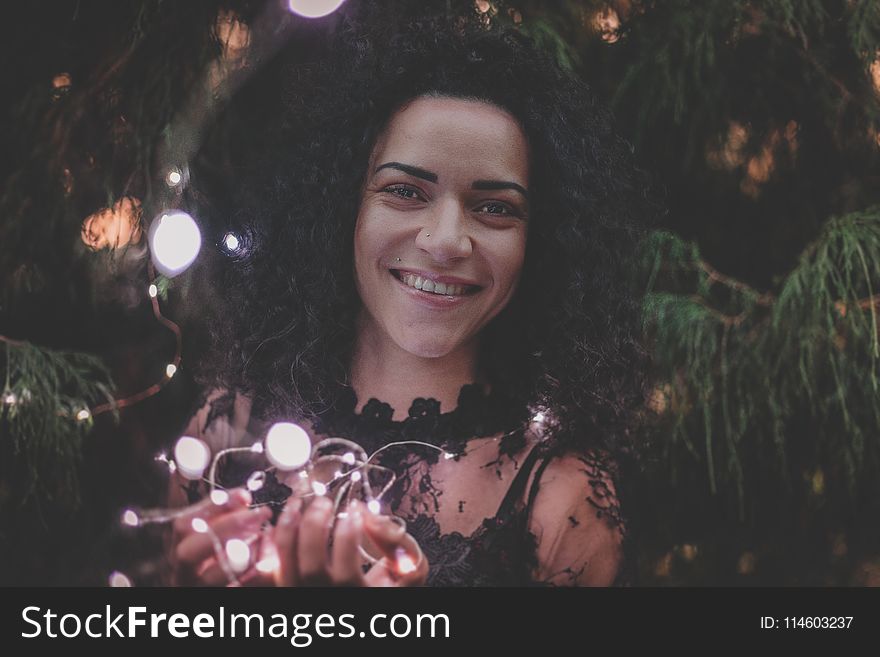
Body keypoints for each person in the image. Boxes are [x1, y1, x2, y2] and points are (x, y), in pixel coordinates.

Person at [168, 3, 649, 587]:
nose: (446, 242)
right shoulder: (226, 439)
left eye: (494, 207)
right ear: (345, 208)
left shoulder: (564, 501)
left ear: (541, 241)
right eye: (405, 191)